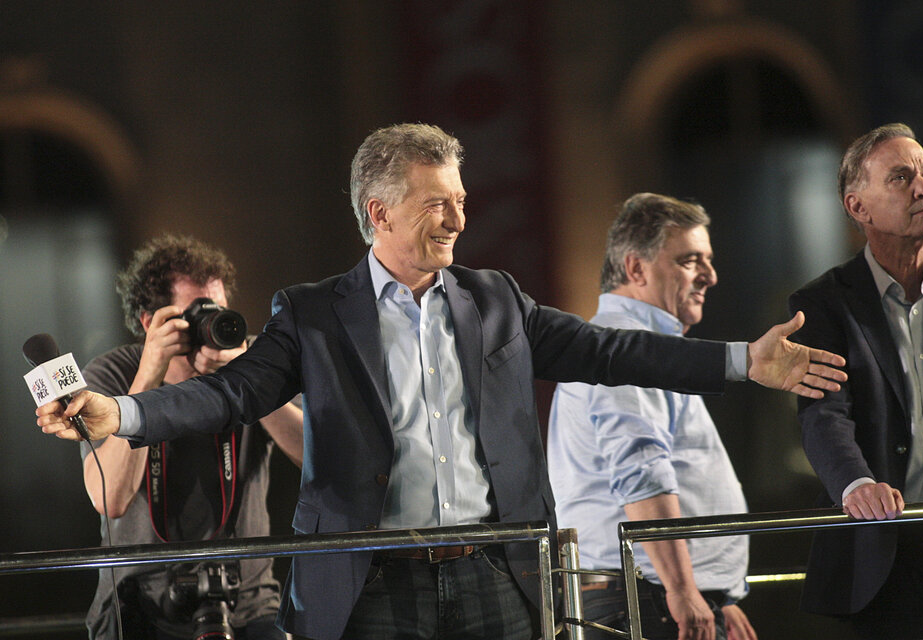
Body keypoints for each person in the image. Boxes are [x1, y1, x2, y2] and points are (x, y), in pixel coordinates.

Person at [37, 123, 846, 640]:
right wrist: (122, 413)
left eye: (459, 200)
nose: (458, 218)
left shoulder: (496, 300)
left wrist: (741, 360)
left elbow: (614, 354)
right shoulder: (314, 315)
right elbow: (228, 393)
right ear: (379, 212)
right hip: (372, 588)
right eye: (436, 204)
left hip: (495, 574)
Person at [548, 193, 757, 640]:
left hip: (660, 597)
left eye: (709, 260)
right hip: (648, 602)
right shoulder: (627, 347)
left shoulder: (643, 348)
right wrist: (684, 590)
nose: (710, 276)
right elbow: (641, 472)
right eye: (690, 260)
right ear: (636, 268)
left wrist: (719, 594)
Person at [79, 234, 303, 640]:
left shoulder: (255, 361)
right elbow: (109, 500)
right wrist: (148, 376)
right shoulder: (112, 375)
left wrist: (250, 383)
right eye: (193, 315)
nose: (208, 326)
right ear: (150, 322)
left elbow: (317, 455)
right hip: (139, 606)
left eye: (215, 310)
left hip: (248, 602)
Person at [789, 123, 923, 638]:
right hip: (890, 556)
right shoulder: (822, 305)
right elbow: (824, 414)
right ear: (857, 207)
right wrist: (856, 485)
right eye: (901, 177)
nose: (922, 188)